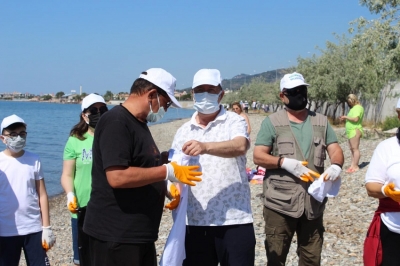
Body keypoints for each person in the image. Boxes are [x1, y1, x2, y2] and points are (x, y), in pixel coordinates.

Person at [82, 68, 202, 266]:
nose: (166, 109)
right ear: (152, 95)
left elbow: (142, 165)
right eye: (167, 103)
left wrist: (166, 168)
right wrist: (168, 171)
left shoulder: (139, 123)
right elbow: (117, 176)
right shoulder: (116, 122)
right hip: (116, 235)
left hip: (138, 235)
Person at [253, 72, 344, 266]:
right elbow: (258, 156)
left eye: (302, 90)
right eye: (293, 91)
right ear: (282, 96)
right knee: (276, 257)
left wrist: (336, 166)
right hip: (279, 204)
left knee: (311, 258)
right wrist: (283, 162)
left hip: (313, 204)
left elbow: (335, 149)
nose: (299, 94)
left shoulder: (321, 121)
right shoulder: (272, 122)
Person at [171, 69, 255, 266]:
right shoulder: (182, 131)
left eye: (211, 89)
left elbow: (240, 145)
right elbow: (174, 171)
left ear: (221, 94)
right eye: (200, 90)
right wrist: (172, 190)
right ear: (192, 94)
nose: (205, 94)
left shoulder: (234, 121)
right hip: (194, 222)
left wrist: (205, 146)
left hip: (235, 220)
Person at [0, 114, 56, 266]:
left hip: (33, 227)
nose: (18, 138)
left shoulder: (34, 159)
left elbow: (42, 194)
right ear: (2, 137)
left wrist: (46, 228)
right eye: (13, 134)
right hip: (5, 230)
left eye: (22, 134)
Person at [60, 93, 108, 266]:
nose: (98, 113)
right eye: (93, 110)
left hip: (108, 209)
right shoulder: (75, 141)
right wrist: (70, 195)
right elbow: (66, 175)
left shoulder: (113, 137)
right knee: (83, 259)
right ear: (84, 115)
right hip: (82, 209)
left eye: (102, 109)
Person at [363, 98, 400, 266]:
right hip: (393, 227)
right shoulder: (386, 147)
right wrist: (386, 191)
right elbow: (371, 186)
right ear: (399, 115)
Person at [340, 94, 364, 173]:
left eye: (350, 102)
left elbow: (356, 119)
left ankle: (355, 166)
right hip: (350, 131)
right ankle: (352, 165)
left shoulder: (358, 108)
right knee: (352, 149)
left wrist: (346, 117)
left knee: (355, 148)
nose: (349, 104)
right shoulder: (354, 108)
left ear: (353, 100)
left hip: (355, 130)